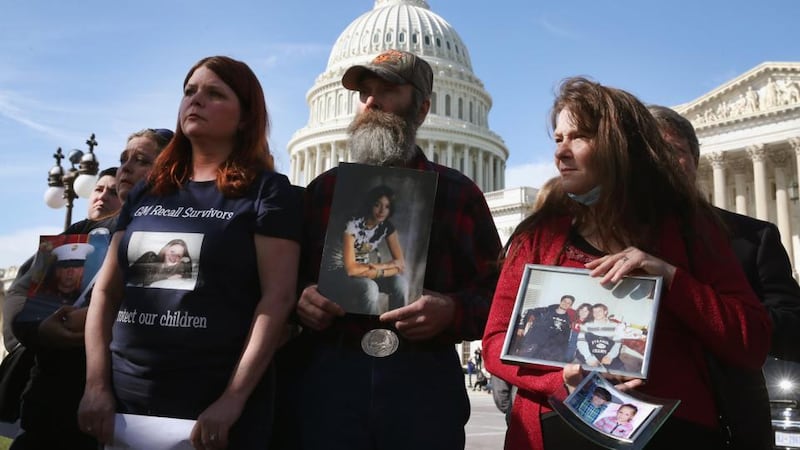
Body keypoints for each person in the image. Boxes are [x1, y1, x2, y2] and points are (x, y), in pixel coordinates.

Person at [482, 76, 770, 450]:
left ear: (623, 145)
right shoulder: (537, 237)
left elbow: (752, 342)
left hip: (673, 433)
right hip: (554, 430)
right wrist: (562, 380)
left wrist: (670, 278)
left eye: (579, 136)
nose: (561, 152)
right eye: (558, 139)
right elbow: (495, 342)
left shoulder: (690, 231)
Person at [274, 49, 501, 450]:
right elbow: (281, 283)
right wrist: (302, 298)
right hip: (328, 378)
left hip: (421, 382)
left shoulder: (459, 194)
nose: (371, 102)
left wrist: (451, 310)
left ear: (423, 108)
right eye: (365, 92)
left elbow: (499, 299)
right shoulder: (322, 192)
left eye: (388, 90)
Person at [78, 55, 301, 450]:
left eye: (214, 93)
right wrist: (96, 385)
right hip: (127, 401)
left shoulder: (268, 192)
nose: (195, 100)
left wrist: (233, 398)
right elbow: (107, 291)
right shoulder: (149, 191)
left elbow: (276, 299)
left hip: (213, 407)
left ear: (246, 117)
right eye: (189, 91)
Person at [650, 104, 800, 449]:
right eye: (649, 154)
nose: (661, 164)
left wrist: (714, 312)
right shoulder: (608, 240)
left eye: (673, 151)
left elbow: (794, 332)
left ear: (695, 160)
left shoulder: (751, 238)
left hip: (727, 430)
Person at [321, 184, 408, 314]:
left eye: (387, 207)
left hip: (364, 270)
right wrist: (385, 267)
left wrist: (377, 269)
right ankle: (371, 329)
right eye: (377, 205)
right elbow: (351, 270)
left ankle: (396, 325)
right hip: (337, 271)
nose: (382, 211)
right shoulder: (352, 224)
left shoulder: (386, 228)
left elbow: (400, 265)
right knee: (370, 287)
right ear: (370, 204)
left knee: (400, 283)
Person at [513, 295, 575, 362]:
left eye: (568, 303)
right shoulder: (545, 310)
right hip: (535, 344)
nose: (565, 304)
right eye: (564, 301)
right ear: (560, 301)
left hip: (550, 349)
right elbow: (527, 311)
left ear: (570, 306)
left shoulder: (569, 320)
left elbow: (565, 339)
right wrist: (521, 327)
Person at [575, 303, 625, 370]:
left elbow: (617, 343)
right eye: (594, 312)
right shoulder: (586, 325)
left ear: (605, 312)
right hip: (589, 354)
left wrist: (610, 356)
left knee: (622, 373)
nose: (597, 313)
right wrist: (588, 357)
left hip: (607, 355)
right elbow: (581, 342)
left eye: (599, 311)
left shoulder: (616, 326)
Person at [129, 238, 193, 287]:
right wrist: (166, 278)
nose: (173, 256)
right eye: (172, 251)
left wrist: (187, 262)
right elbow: (142, 280)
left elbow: (187, 280)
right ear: (165, 250)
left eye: (178, 255)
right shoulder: (150, 257)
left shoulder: (176, 270)